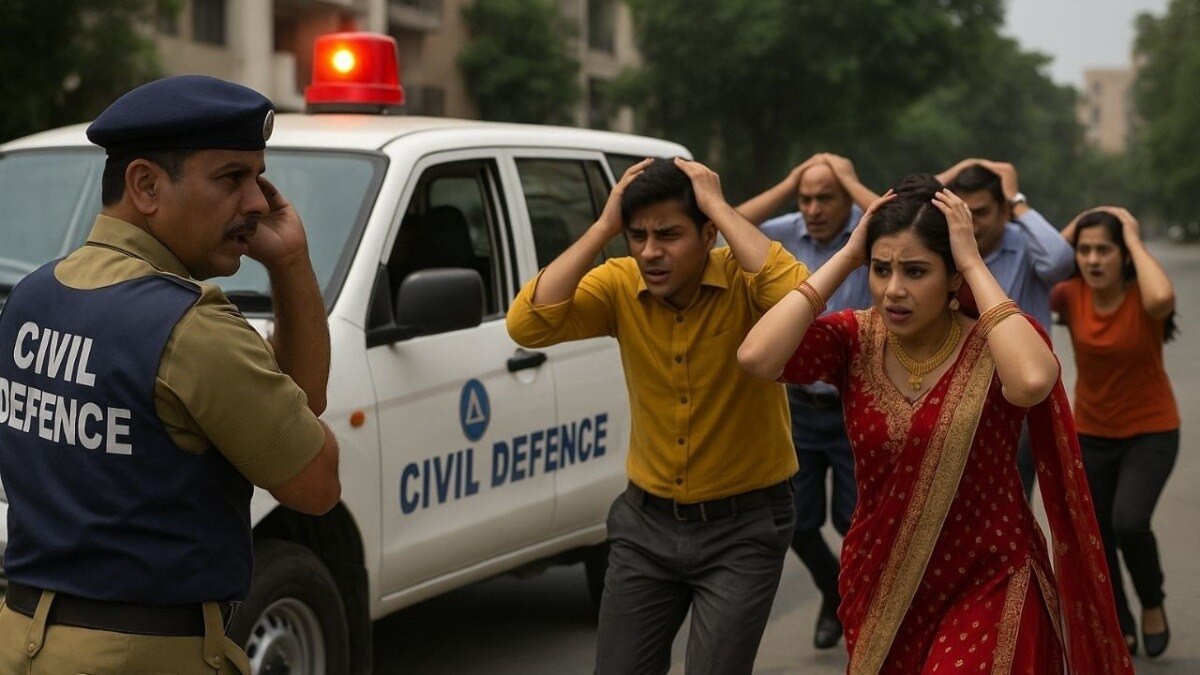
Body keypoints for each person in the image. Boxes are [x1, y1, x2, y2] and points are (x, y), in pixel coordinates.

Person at [0, 76, 341, 674]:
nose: (259, 203)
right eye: (232, 179)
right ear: (147, 185)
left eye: (259, 180)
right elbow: (314, 483)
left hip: (22, 640)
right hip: (138, 654)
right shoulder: (192, 327)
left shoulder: (32, 297)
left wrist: (285, 260)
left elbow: (296, 405)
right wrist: (293, 265)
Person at [738, 175, 1133, 673]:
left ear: (953, 278)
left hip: (990, 576)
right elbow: (756, 356)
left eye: (916, 271)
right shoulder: (853, 340)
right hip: (883, 581)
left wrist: (972, 260)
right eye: (882, 270)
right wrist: (847, 258)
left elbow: (1033, 381)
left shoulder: (998, 341)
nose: (894, 290)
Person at [507, 157, 805, 674]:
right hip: (644, 528)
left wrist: (717, 204)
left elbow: (798, 295)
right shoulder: (619, 283)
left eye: (669, 234)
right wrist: (604, 226)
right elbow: (527, 325)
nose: (650, 251)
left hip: (744, 529)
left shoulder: (744, 282)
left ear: (708, 233)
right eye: (637, 235)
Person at [737, 153, 878, 649]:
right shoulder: (785, 232)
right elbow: (723, 227)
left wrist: (849, 178)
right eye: (807, 198)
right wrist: (789, 181)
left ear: (845, 197)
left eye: (827, 197)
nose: (814, 208)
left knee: (854, 518)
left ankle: (868, 618)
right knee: (794, 522)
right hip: (796, 406)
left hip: (854, 404)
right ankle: (833, 593)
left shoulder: (868, 233)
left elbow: (890, 214)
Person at [1053, 206, 1179, 658]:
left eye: (1104, 250)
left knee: (1129, 522)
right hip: (1090, 431)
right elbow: (1044, 262)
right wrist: (1083, 218)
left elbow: (1163, 298)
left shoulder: (1143, 296)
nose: (1092, 259)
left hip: (1152, 431)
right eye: (1084, 250)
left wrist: (1129, 231)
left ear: (1123, 255)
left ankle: (1153, 602)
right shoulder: (1069, 294)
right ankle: (1120, 619)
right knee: (1099, 532)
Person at [937, 159, 1074, 500]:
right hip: (951, 395)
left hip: (1017, 399)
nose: (972, 223)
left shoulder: (1025, 247)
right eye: (964, 211)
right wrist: (945, 179)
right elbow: (892, 213)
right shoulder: (943, 249)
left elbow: (1060, 261)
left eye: (981, 212)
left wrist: (1017, 199)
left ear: (1003, 212)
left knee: (1008, 501)